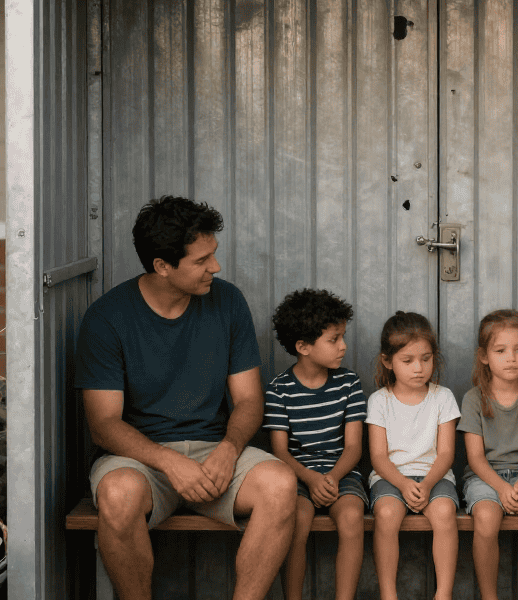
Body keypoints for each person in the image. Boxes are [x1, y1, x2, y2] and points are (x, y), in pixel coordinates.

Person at [74, 196, 296, 600]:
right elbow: (104, 424)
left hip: (217, 452)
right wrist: (167, 461)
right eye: (202, 260)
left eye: (213, 255)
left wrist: (229, 449)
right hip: (141, 460)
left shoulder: (227, 302)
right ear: (162, 266)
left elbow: (248, 400)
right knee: (118, 495)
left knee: (281, 485)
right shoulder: (107, 318)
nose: (216, 267)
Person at [264, 289, 367, 600]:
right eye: (334, 339)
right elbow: (280, 451)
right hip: (296, 476)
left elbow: (353, 447)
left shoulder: (349, 384)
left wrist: (332, 478)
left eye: (343, 337)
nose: (343, 346)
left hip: (341, 473)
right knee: (297, 521)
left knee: (351, 518)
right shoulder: (279, 390)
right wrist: (310, 479)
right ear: (303, 347)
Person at [459, 309, 518, 600]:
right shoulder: (474, 398)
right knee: (487, 520)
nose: (511, 358)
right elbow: (475, 458)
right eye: (500, 350)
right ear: (484, 356)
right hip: (484, 477)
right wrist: (501, 487)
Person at [366, 311, 460, 600]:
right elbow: (379, 457)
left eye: (426, 358)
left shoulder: (442, 397)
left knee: (444, 513)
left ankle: (443, 594)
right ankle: (388, 594)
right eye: (408, 361)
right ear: (388, 361)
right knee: (386, 514)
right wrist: (405, 484)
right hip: (390, 476)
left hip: (435, 475)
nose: (418, 368)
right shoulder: (379, 400)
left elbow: (445, 453)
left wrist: (428, 484)